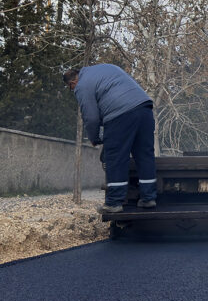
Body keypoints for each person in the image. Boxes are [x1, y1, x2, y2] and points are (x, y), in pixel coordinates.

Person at [63, 65, 158, 214]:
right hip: (144, 108)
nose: (73, 91)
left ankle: (114, 203)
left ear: (72, 83)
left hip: (120, 115)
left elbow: (91, 117)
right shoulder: (106, 69)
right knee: (144, 155)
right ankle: (148, 198)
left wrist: (94, 138)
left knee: (116, 157)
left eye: (71, 89)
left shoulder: (81, 85)